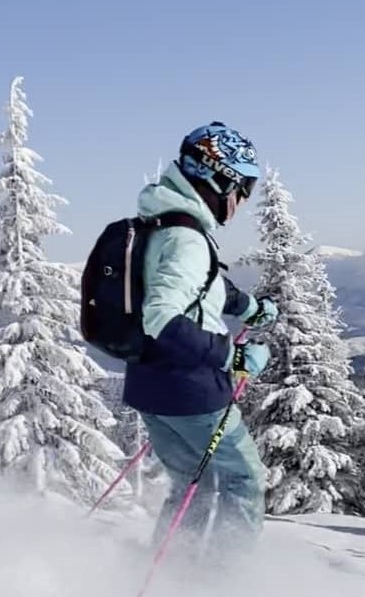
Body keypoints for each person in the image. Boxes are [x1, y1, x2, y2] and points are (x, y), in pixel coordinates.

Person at [122, 121, 278, 566]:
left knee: (194, 485)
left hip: (149, 385)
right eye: (243, 186)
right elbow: (164, 315)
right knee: (244, 480)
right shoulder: (187, 238)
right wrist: (233, 354)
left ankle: (171, 576)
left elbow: (198, 285)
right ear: (218, 179)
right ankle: (224, 589)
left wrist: (247, 306)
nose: (242, 200)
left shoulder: (161, 222)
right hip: (190, 388)